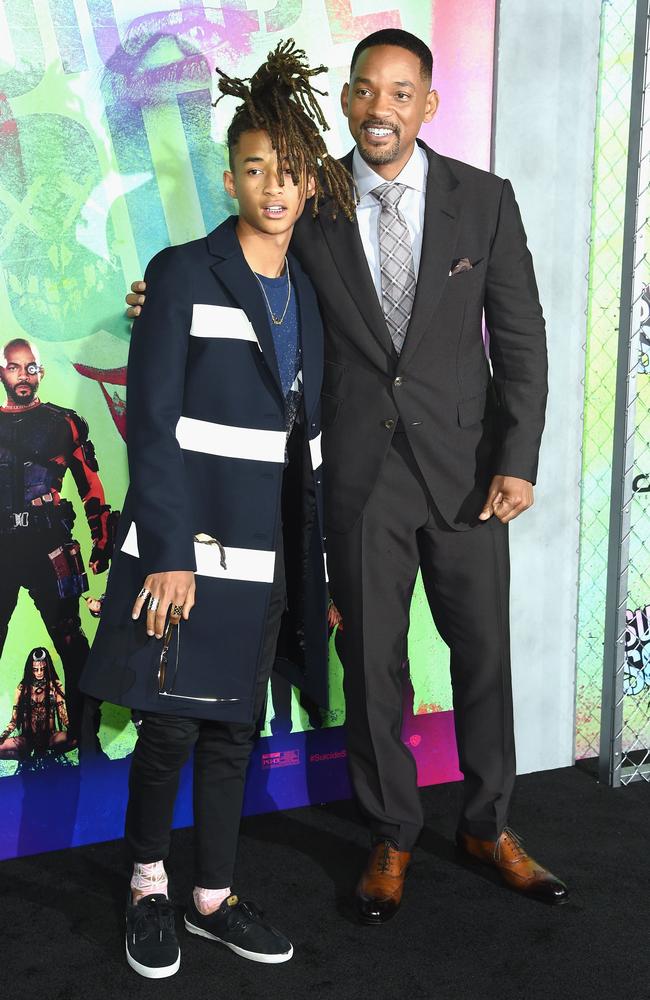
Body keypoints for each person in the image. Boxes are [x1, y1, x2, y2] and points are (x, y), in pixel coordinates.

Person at [127, 29, 568, 923]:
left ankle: (488, 823)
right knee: (373, 670)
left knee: (483, 658)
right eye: (365, 90)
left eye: (401, 93)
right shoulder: (313, 194)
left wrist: (518, 459)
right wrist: (159, 293)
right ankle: (392, 834)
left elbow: (519, 338)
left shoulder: (483, 202)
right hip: (359, 478)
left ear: (427, 105)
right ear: (348, 99)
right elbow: (246, 263)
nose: (380, 108)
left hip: (470, 477)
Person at [82, 41, 356, 979]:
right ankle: (149, 888)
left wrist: (312, 568)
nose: (273, 189)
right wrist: (166, 551)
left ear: (311, 180)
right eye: (253, 171)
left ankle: (212, 896)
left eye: (288, 173)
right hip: (190, 551)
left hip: (273, 555)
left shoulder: (312, 295)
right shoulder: (182, 273)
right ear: (231, 177)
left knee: (238, 726)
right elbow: (151, 425)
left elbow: (302, 441)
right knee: (170, 725)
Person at [0, 339, 116, 747]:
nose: (23, 376)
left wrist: (102, 541)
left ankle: (85, 735)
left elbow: (91, 484)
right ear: (2, 372)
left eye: (30, 368)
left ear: (41, 372)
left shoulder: (63, 422)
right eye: (14, 368)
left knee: (70, 637)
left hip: (48, 544)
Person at [0, 647, 74, 759]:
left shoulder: (55, 685)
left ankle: (52, 754)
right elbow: (14, 720)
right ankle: (26, 758)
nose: (39, 672)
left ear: (47, 668)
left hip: (51, 737)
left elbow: (63, 715)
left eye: (42, 669)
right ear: (30, 669)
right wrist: (3, 737)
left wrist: (73, 729)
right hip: (27, 739)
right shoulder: (21, 688)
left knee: (78, 738)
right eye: (35, 669)